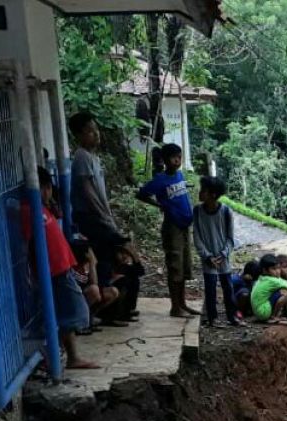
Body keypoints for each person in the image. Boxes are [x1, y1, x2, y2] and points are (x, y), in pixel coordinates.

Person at [23, 168, 98, 370]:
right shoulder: (30, 211)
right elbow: (26, 244)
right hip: (53, 271)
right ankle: (55, 354)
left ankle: (65, 355)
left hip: (60, 268)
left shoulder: (43, 210)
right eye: (44, 188)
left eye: (48, 188)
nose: (47, 192)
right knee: (75, 311)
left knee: (68, 313)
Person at [68, 111, 139, 323]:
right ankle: (107, 311)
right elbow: (89, 194)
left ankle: (120, 308)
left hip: (101, 218)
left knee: (115, 261)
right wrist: (105, 219)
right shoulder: (81, 157)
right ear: (79, 135)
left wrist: (109, 216)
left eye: (96, 130)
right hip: (91, 220)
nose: (96, 134)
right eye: (90, 131)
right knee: (107, 263)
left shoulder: (93, 158)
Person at [137, 142, 198, 317]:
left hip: (185, 226)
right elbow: (142, 194)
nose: (177, 160)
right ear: (165, 160)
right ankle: (175, 307)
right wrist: (159, 205)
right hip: (172, 227)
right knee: (175, 266)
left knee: (184, 266)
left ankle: (183, 303)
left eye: (179, 157)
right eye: (174, 157)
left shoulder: (179, 175)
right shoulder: (160, 180)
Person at [193, 176, 242, 327]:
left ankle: (232, 316)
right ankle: (212, 318)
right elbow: (196, 236)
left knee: (228, 287)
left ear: (213, 194)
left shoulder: (226, 212)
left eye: (203, 191)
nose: (200, 193)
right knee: (210, 287)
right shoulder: (197, 211)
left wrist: (223, 254)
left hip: (223, 258)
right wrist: (207, 256)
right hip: (208, 258)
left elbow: (230, 238)